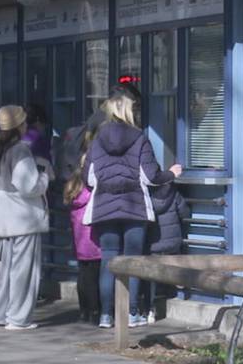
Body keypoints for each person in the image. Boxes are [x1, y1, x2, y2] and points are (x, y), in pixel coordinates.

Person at [82, 90, 182, 329]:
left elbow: (89, 178)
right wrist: (172, 173)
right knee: (133, 260)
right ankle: (131, 312)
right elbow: (151, 177)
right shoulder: (140, 138)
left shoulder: (97, 140)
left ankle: (106, 315)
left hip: (104, 209)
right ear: (129, 111)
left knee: (109, 259)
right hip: (134, 208)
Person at [0, 106, 49, 330]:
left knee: (6, 272)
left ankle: (1, 314)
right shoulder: (19, 150)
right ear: (20, 125)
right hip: (24, 217)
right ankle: (19, 318)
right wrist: (44, 177)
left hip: (3, 218)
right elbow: (29, 185)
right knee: (24, 271)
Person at [142, 179, 189, 325]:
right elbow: (185, 213)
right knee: (174, 266)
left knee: (151, 278)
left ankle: (150, 309)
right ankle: (177, 288)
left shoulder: (146, 197)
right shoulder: (174, 194)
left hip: (153, 245)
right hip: (173, 244)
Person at [64, 173, 100, 324]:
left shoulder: (74, 205)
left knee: (83, 278)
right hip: (94, 245)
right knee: (93, 280)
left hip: (80, 246)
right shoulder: (91, 198)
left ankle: (83, 310)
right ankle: (95, 310)